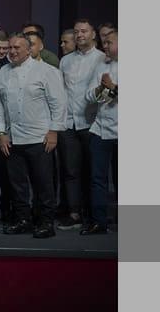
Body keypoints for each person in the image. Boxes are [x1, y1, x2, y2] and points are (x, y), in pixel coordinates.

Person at [0, 34, 67, 239]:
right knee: (17, 184)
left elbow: (59, 103)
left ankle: (46, 222)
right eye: (10, 48)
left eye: (17, 47)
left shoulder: (47, 71)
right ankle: (23, 220)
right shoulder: (4, 72)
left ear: (29, 50)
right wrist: (1, 132)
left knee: (43, 183)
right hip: (13, 138)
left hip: (40, 137)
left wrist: (54, 131)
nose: (12, 51)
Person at [56, 19, 107, 230]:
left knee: (93, 172)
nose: (79, 35)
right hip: (69, 123)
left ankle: (93, 214)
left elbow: (103, 92)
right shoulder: (65, 60)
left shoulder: (102, 58)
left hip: (92, 122)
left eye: (84, 31)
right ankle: (74, 213)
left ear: (93, 34)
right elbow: (61, 92)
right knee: (70, 171)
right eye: (76, 32)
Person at [80, 30, 118, 235]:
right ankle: (99, 221)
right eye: (104, 42)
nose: (105, 47)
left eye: (109, 43)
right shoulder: (102, 65)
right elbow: (89, 95)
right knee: (97, 178)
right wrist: (98, 90)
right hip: (100, 129)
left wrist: (113, 87)